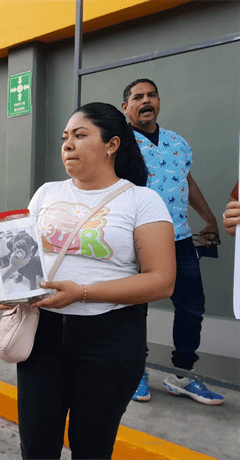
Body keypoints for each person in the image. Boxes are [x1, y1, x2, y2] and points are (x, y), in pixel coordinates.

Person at [0, 103, 175, 459]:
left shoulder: (142, 200)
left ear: (112, 144)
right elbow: (24, 258)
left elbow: (161, 281)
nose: (67, 145)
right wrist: (6, 287)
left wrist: (83, 293)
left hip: (111, 340)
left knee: (92, 447)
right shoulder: (46, 193)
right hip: (41, 334)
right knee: (37, 445)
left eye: (79, 135)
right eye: (65, 138)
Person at [122, 78, 224, 405]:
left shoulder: (177, 143)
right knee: (136, 308)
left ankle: (182, 375)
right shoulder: (117, 144)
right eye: (138, 97)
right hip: (136, 238)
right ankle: (135, 372)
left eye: (151, 95)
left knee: (192, 306)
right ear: (126, 107)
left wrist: (208, 218)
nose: (146, 100)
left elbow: (188, 183)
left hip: (179, 238)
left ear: (159, 102)